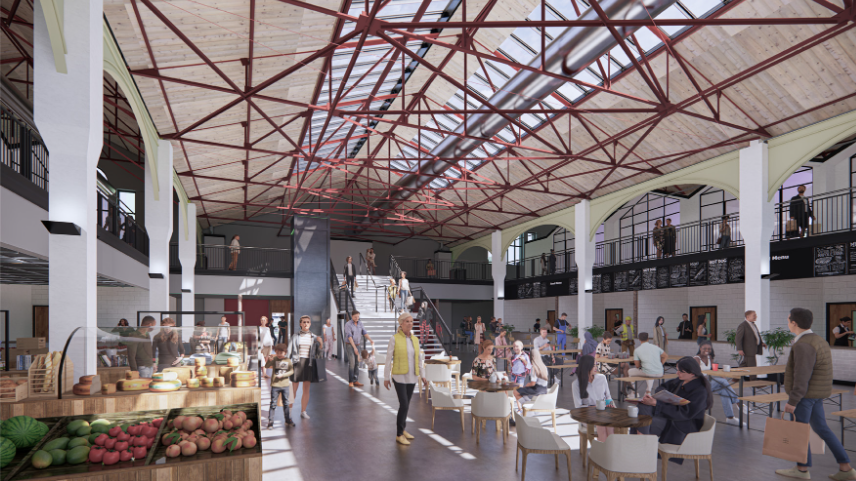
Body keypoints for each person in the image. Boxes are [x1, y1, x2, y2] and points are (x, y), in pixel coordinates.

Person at [776, 308, 855, 480]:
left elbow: (802, 375)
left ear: (794, 323)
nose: (787, 322)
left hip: (805, 396)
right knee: (821, 428)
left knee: (799, 431)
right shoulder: (818, 339)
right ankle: (846, 467)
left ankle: (802, 469)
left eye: (788, 319)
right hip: (816, 394)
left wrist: (793, 400)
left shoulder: (803, 344)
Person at [633, 357, 712, 450]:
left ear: (691, 373)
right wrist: (660, 396)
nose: (677, 373)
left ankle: (641, 446)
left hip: (682, 423)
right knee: (644, 404)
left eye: (680, 371)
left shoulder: (700, 391)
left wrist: (657, 404)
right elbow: (662, 387)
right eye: (677, 370)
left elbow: (685, 413)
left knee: (643, 423)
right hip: (669, 414)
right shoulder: (681, 380)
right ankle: (642, 442)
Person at [384, 312, 427, 446]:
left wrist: (423, 375)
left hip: (412, 376)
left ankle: (403, 428)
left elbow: (419, 359)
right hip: (399, 376)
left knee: (407, 404)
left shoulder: (415, 339)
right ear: (401, 324)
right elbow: (388, 359)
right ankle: (399, 434)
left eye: (411, 321)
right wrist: (386, 377)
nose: (410, 324)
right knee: (404, 404)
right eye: (407, 321)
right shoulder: (394, 338)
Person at [694, 341, 743, 426]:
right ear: (700, 348)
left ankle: (730, 418)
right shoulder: (696, 359)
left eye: (709, 348)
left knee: (724, 390)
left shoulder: (709, 358)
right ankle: (737, 401)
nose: (707, 350)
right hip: (700, 385)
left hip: (710, 383)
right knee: (722, 382)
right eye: (704, 348)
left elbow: (715, 371)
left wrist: (723, 378)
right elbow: (695, 374)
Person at [289, 315, 322, 420]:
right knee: (293, 389)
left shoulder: (313, 336)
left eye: (308, 322)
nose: (306, 324)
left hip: (309, 363)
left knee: (306, 389)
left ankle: (303, 411)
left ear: (310, 323)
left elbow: (320, 347)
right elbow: (289, 352)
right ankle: (289, 411)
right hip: (297, 363)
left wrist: (321, 343)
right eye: (304, 322)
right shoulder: (295, 336)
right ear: (300, 324)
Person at [265, 344, 295, 429]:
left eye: (281, 352)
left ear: (285, 352)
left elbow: (291, 371)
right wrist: (269, 360)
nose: (279, 354)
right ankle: (270, 422)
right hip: (275, 385)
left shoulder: (288, 360)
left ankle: (288, 420)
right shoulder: (274, 359)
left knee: (286, 403)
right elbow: (267, 366)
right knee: (273, 404)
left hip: (285, 385)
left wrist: (283, 375)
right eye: (277, 352)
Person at [513, 345, 549, 413]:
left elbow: (532, 383)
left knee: (516, 392)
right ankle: (530, 405)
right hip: (544, 389)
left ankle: (527, 409)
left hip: (537, 389)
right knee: (523, 392)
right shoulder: (544, 366)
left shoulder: (534, 367)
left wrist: (525, 386)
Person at [344, 310, 374, 388]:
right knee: (352, 363)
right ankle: (351, 381)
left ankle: (355, 380)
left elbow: (364, 332)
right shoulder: (348, 324)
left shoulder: (360, 323)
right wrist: (354, 348)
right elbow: (349, 337)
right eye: (355, 317)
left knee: (357, 363)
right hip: (350, 345)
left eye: (358, 316)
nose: (357, 318)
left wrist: (370, 340)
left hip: (357, 345)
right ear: (352, 316)